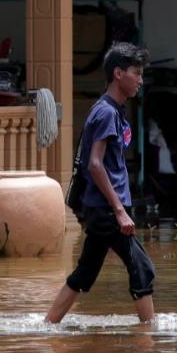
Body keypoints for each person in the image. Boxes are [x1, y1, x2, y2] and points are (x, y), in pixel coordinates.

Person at [45, 42, 155, 324]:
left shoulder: (111, 110)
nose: (141, 80)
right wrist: (119, 210)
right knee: (141, 267)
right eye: (136, 73)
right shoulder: (106, 112)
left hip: (101, 207)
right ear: (118, 73)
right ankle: (150, 334)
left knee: (86, 271)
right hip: (107, 209)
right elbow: (95, 164)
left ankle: (48, 326)